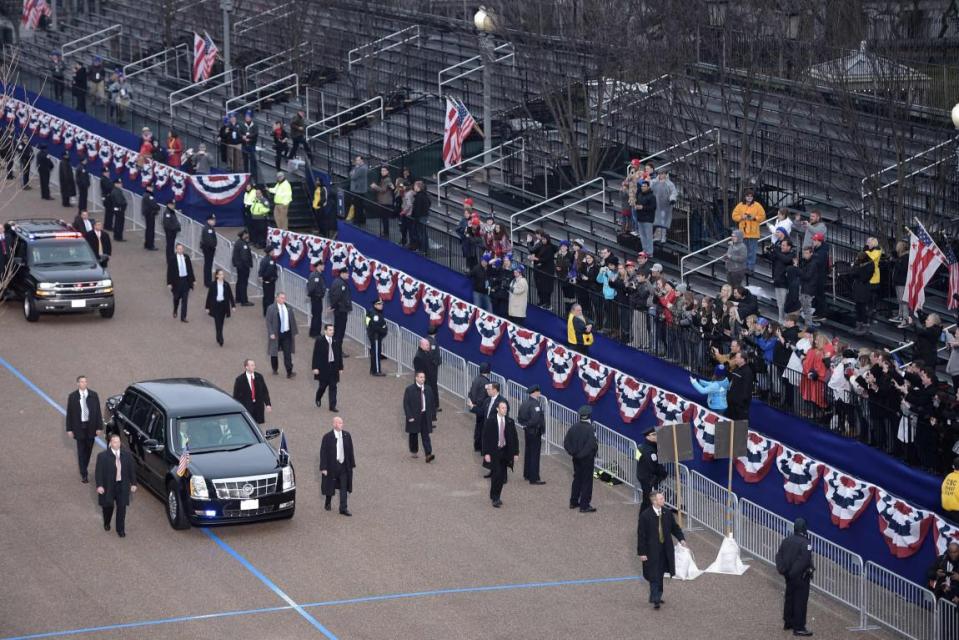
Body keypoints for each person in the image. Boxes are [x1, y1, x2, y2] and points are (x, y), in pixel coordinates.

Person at [637, 490, 687, 610]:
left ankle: (656, 594)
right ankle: (656, 598)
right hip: (651, 549)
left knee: (660, 573)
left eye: (663, 498)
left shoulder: (667, 513)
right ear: (654, 501)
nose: (663, 500)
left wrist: (681, 539)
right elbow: (641, 535)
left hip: (665, 548)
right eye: (661, 499)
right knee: (654, 573)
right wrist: (642, 552)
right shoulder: (645, 516)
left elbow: (674, 528)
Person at [775, 517, 815, 636]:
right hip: (800, 577)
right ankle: (799, 627)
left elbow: (779, 555)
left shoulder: (786, 540)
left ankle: (788, 622)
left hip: (788, 575)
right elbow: (803, 561)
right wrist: (793, 572)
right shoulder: (806, 543)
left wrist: (783, 570)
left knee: (789, 599)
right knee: (800, 602)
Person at [95, 433, 137, 537]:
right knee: (108, 506)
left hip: (122, 486)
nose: (117, 444)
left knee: (122, 508)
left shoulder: (127, 455)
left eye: (118, 442)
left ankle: (120, 529)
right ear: (110, 443)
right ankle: (107, 521)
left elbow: (131, 471)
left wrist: (133, 483)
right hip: (108, 486)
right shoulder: (102, 456)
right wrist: (99, 485)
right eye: (114, 442)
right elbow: (98, 472)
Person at [65, 375, 103, 483]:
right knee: (81, 451)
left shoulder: (93, 395)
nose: (84, 383)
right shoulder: (72, 397)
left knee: (88, 450)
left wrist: (99, 427)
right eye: (81, 382)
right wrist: (69, 429)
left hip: (91, 426)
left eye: (85, 381)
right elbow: (70, 414)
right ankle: (84, 473)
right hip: (79, 427)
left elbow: (98, 412)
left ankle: (84, 467)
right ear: (77, 384)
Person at [482, 399, 519, 508]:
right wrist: (486, 453)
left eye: (506, 408)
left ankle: (497, 494)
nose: (505, 410)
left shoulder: (510, 422)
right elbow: (485, 437)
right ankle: (495, 497)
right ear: (498, 409)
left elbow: (514, 438)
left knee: (502, 476)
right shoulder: (491, 421)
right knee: (496, 474)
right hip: (494, 451)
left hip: (505, 451)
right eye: (503, 408)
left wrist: (516, 453)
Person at [563, 405, 598, 512]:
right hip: (586, 459)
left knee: (577, 479)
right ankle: (584, 505)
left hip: (576, 458)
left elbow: (566, 443)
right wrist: (583, 454)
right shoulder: (591, 429)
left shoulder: (574, 427)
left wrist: (573, 453)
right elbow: (591, 445)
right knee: (587, 481)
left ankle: (573, 502)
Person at [320, 417, 355, 516]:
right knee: (330, 485)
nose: (341, 425)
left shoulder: (347, 435)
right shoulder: (327, 437)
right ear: (334, 424)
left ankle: (343, 508)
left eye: (342, 423)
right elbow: (323, 453)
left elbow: (350, 451)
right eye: (339, 423)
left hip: (343, 466)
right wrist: (323, 467)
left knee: (344, 487)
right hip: (332, 466)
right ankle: (328, 501)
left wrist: (351, 464)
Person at [517, 385, 546, 485]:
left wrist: (525, 425)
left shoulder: (525, 403)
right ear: (534, 393)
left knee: (528, 452)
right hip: (534, 431)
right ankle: (534, 478)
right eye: (538, 391)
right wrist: (529, 425)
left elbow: (519, 417)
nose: (539, 393)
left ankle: (527, 473)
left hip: (528, 431)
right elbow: (535, 419)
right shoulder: (535, 404)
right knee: (534, 454)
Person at [403, 371, 435, 462]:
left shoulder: (428, 389)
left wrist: (432, 415)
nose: (422, 379)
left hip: (424, 415)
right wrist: (409, 416)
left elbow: (432, 402)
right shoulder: (409, 389)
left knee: (425, 435)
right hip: (414, 415)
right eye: (421, 377)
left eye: (423, 377)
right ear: (416, 378)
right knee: (413, 434)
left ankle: (428, 454)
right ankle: (414, 450)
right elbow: (406, 404)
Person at [731, 189, 766, 272]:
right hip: (743, 233)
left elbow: (762, 216)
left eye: (751, 196)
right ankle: (743, 267)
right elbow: (734, 216)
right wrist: (741, 217)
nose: (749, 198)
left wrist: (754, 218)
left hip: (753, 233)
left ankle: (750, 268)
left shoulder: (757, 205)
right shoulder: (740, 205)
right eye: (748, 196)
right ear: (745, 197)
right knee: (743, 252)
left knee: (752, 252)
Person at [634, 427, 667, 513]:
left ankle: (644, 518)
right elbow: (653, 467)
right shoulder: (650, 451)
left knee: (647, 499)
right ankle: (646, 519)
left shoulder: (642, 447)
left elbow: (638, 459)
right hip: (650, 479)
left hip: (643, 476)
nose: (656, 436)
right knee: (650, 501)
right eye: (654, 435)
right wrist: (662, 474)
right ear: (647, 437)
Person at [266, 292, 298, 378]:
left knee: (287, 353)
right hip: (276, 335)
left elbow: (292, 321)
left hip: (286, 335)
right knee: (274, 353)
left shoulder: (288, 308)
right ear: (277, 298)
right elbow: (268, 322)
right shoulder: (271, 308)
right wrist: (271, 332)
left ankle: (289, 372)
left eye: (284, 298)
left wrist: (294, 332)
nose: (283, 299)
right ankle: (275, 368)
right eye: (281, 298)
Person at [312, 324, 343, 411]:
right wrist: (315, 367)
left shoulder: (336, 341)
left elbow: (339, 355)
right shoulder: (319, 340)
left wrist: (340, 367)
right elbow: (316, 355)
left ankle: (332, 406)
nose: (332, 332)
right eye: (330, 330)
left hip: (333, 367)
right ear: (325, 331)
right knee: (323, 386)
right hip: (323, 367)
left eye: (332, 330)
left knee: (333, 387)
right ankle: (318, 397)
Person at [232, 359, 272, 424]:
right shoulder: (240, 379)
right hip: (247, 407)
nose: (254, 367)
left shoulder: (259, 377)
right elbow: (236, 396)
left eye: (254, 365)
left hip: (258, 407)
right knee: (248, 424)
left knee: (258, 425)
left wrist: (268, 404)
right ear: (246, 367)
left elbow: (264, 391)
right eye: (252, 365)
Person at [205, 269, 235, 346]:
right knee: (217, 322)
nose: (222, 276)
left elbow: (230, 295)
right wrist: (207, 307)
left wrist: (233, 305)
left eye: (223, 274)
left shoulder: (226, 284)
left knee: (221, 322)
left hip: (223, 305)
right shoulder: (213, 284)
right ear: (217, 275)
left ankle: (218, 335)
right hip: (215, 305)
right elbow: (209, 296)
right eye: (220, 274)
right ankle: (220, 337)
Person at [167, 243, 195, 322]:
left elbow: (190, 269)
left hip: (185, 280)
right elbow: (169, 271)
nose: (180, 250)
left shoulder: (186, 257)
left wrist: (193, 280)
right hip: (177, 281)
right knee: (176, 298)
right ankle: (175, 309)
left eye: (181, 249)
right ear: (176, 250)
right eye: (178, 249)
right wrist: (169, 283)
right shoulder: (172, 258)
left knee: (185, 300)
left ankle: (183, 317)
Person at [468, 364, 492, 452]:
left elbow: (471, 391)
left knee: (478, 426)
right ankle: (481, 446)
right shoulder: (486, 382)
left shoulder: (476, 379)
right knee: (482, 428)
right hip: (482, 407)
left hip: (475, 405)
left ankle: (477, 445)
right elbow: (483, 396)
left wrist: (472, 403)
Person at [328, 269, 352, 353]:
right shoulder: (341, 284)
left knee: (338, 330)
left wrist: (332, 306)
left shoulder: (337, 281)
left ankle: (335, 349)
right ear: (342, 273)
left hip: (339, 309)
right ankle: (337, 350)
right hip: (341, 310)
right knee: (340, 331)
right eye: (347, 273)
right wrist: (332, 306)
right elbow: (337, 296)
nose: (348, 275)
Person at [633, 180, 657, 256]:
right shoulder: (639, 194)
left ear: (648, 187)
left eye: (644, 186)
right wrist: (636, 206)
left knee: (648, 236)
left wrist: (643, 207)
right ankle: (644, 250)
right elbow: (636, 202)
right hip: (640, 218)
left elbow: (653, 207)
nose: (643, 187)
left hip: (648, 219)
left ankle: (650, 252)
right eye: (642, 186)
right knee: (642, 236)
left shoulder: (652, 196)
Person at [370, 166, 394, 237]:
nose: (382, 172)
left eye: (384, 171)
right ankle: (385, 232)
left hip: (386, 201)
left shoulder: (387, 179)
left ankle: (386, 233)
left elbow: (383, 190)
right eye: (381, 171)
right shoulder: (384, 179)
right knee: (384, 218)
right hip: (383, 201)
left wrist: (375, 186)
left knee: (385, 218)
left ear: (387, 172)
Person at [365, 299, 388, 376]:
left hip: (373, 335)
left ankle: (372, 369)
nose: (381, 306)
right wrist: (384, 330)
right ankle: (377, 371)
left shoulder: (372, 312)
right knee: (376, 353)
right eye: (379, 304)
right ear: (375, 305)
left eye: (381, 304)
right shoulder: (375, 315)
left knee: (374, 353)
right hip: (376, 336)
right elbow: (375, 326)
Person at [232, 230, 254, 306]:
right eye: (246, 234)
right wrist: (248, 265)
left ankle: (238, 298)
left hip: (239, 266)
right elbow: (244, 257)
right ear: (243, 235)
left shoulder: (238, 242)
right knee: (243, 283)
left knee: (239, 282)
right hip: (243, 266)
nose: (248, 235)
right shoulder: (243, 244)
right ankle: (244, 300)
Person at [413, 338, 439, 402]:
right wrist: (423, 380)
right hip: (426, 381)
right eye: (427, 345)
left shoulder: (426, 352)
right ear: (421, 345)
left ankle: (434, 406)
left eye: (428, 345)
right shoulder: (418, 357)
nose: (429, 346)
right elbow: (419, 371)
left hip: (430, 379)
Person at [196, 214, 217, 288]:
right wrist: (213, 246)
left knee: (208, 265)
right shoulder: (208, 229)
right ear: (209, 220)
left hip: (209, 249)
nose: (214, 221)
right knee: (208, 266)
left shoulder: (210, 227)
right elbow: (209, 241)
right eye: (213, 220)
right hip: (208, 249)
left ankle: (208, 281)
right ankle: (207, 282)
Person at [348, 156, 370, 225]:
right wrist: (354, 171)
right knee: (359, 206)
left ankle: (357, 221)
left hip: (359, 190)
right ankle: (361, 220)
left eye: (358, 160)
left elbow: (353, 177)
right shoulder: (358, 167)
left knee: (358, 207)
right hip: (357, 190)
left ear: (362, 160)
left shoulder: (362, 168)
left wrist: (354, 171)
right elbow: (350, 173)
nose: (356, 161)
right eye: (356, 160)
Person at [307, 266, 327, 337]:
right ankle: (315, 333)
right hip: (316, 298)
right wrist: (316, 295)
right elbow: (312, 288)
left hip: (317, 298)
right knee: (316, 316)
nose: (323, 267)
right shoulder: (315, 276)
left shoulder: (318, 275)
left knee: (317, 316)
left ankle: (314, 332)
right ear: (318, 266)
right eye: (322, 265)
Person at [240, 111, 259, 181]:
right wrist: (243, 137)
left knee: (252, 161)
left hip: (252, 145)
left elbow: (255, 134)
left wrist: (248, 137)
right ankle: (246, 174)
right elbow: (240, 133)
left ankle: (253, 175)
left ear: (251, 118)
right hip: (244, 145)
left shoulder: (255, 125)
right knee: (245, 160)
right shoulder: (242, 125)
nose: (247, 118)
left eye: (248, 117)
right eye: (246, 117)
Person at [141, 183, 159, 250]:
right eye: (151, 187)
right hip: (150, 214)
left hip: (148, 214)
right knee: (150, 230)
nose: (152, 189)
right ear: (148, 188)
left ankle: (147, 244)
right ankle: (150, 245)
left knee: (148, 229)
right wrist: (158, 207)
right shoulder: (149, 196)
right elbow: (153, 205)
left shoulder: (146, 195)